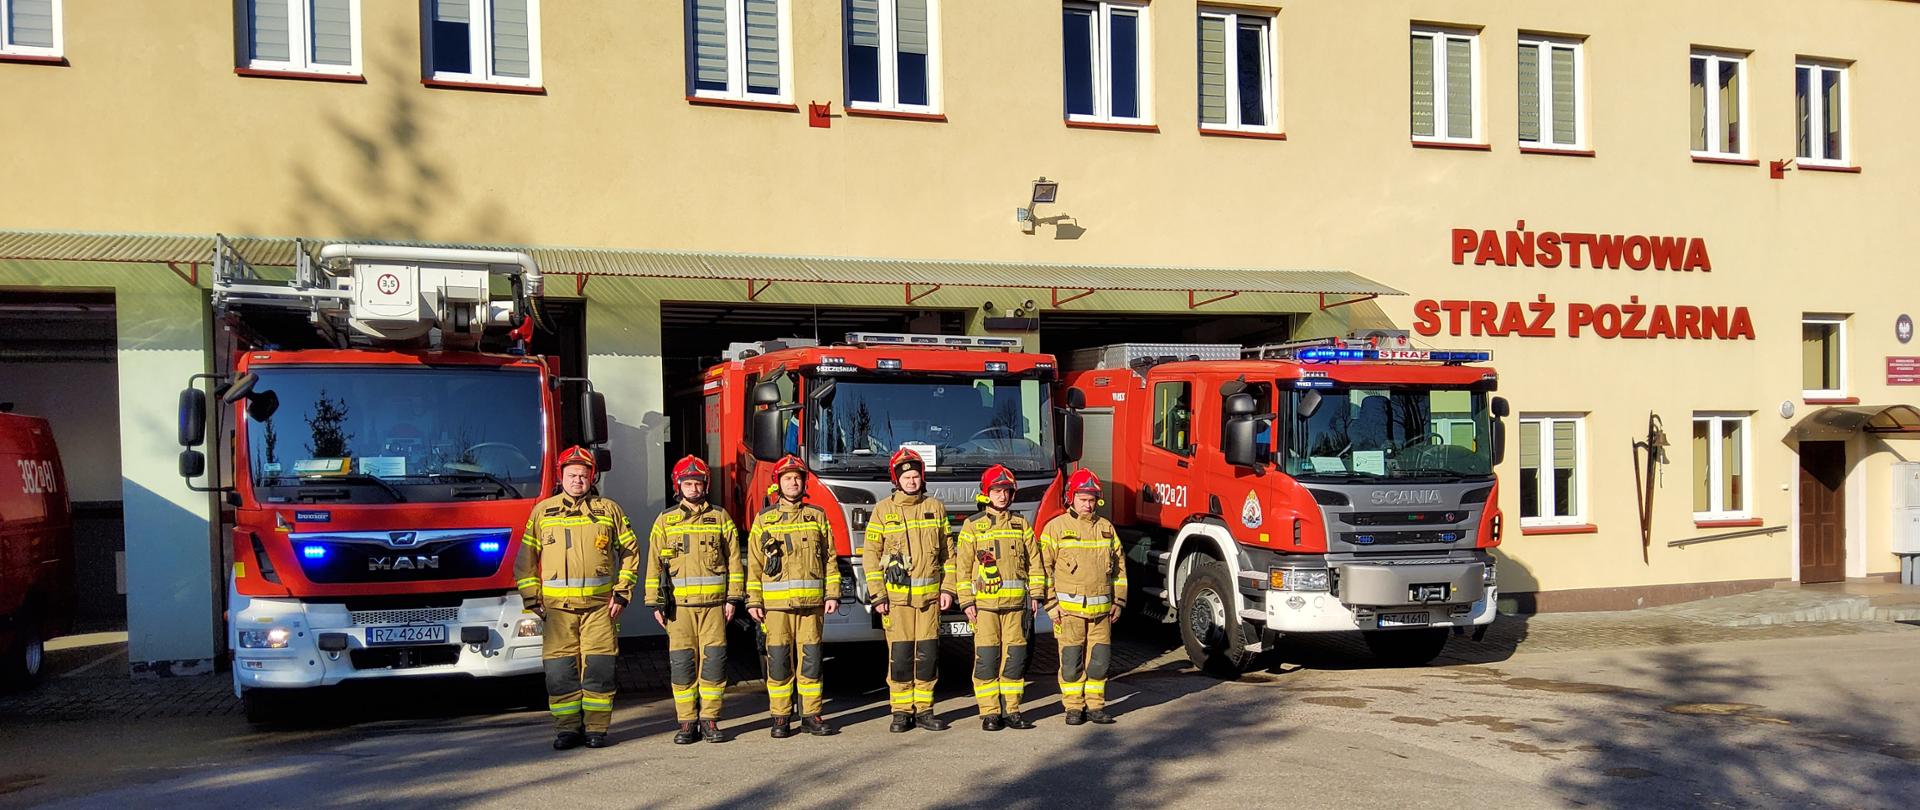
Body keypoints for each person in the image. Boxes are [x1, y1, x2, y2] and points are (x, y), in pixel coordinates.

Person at [514, 446, 640, 750]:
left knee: (599, 670)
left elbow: (630, 552)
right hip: (557, 613)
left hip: (599, 610)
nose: (577, 481)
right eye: (572, 475)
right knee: (560, 673)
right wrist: (532, 597)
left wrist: (622, 594)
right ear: (561, 477)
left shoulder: (609, 510)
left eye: (583, 475)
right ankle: (567, 729)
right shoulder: (543, 512)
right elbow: (525, 558)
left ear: (592, 477)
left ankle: (597, 729)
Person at [643, 456, 744, 744]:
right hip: (679, 610)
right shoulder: (665, 521)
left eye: (698, 483)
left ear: (705, 485)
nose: (694, 489)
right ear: (678, 486)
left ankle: (710, 720)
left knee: (714, 664)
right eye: (688, 484)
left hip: (714, 607)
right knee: (683, 663)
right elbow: (653, 564)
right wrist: (655, 602)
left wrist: (732, 600)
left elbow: (734, 562)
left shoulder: (721, 518)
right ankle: (687, 722)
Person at [744, 455, 842, 738]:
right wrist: (753, 601)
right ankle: (780, 717)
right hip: (776, 608)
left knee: (811, 661)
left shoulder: (817, 516)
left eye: (798, 478)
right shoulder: (765, 520)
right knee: (778, 661)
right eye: (787, 478)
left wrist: (832, 594)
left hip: (812, 606)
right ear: (778, 483)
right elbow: (755, 564)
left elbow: (830, 559)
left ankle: (811, 714)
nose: (793, 482)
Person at [861, 447, 954, 732]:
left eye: (915, 476)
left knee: (927, 656)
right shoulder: (883, 511)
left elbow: (949, 555)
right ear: (896, 480)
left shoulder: (935, 508)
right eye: (907, 477)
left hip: (928, 600)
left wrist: (948, 590)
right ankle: (901, 711)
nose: (911, 481)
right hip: (897, 601)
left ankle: (925, 710)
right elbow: (870, 555)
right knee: (900, 657)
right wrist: (878, 595)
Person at [953, 464, 1042, 731]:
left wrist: (1036, 595)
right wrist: (967, 601)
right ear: (986, 493)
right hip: (985, 608)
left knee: (1015, 657)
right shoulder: (972, 526)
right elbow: (962, 568)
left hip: (1016, 607)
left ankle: (1012, 710)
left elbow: (1034, 563)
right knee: (987, 658)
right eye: (996, 491)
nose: (1002, 496)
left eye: (1006, 491)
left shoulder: (1021, 525)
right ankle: (990, 712)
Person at [1037, 468, 1127, 726]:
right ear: (1070, 498)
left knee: (1099, 662)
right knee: (1071, 661)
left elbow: (1119, 569)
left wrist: (1118, 601)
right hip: (1068, 612)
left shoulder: (1106, 528)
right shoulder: (1055, 528)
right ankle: (1074, 708)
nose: (1088, 504)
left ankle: (1096, 706)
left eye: (1092, 499)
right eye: (1083, 498)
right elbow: (1043, 570)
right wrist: (1051, 605)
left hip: (1101, 613)